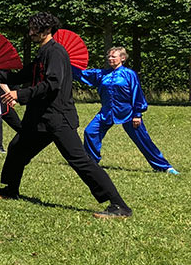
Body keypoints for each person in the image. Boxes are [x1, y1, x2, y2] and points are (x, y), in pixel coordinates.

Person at [0, 12, 132, 219]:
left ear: (46, 30)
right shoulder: (43, 52)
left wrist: (21, 94)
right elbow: (20, 75)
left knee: (80, 161)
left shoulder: (56, 53)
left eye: (34, 29)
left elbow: (53, 84)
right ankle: (10, 190)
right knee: (17, 148)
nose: (30, 33)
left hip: (58, 118)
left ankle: (119, 206)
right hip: (39, 119)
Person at [72, 47, 178, 175]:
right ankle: (91, 162)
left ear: (122, 58)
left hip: (128, 113)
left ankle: (164, 167)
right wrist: (65, 62)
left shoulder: (129, 74)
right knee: (90, 131)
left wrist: (137, 114)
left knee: (143, 140)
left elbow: (137, 93)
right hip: (106, 113)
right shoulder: (102, 74)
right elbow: (82, 74)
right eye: (109, 56)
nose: (110, 59)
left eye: (113, 56)